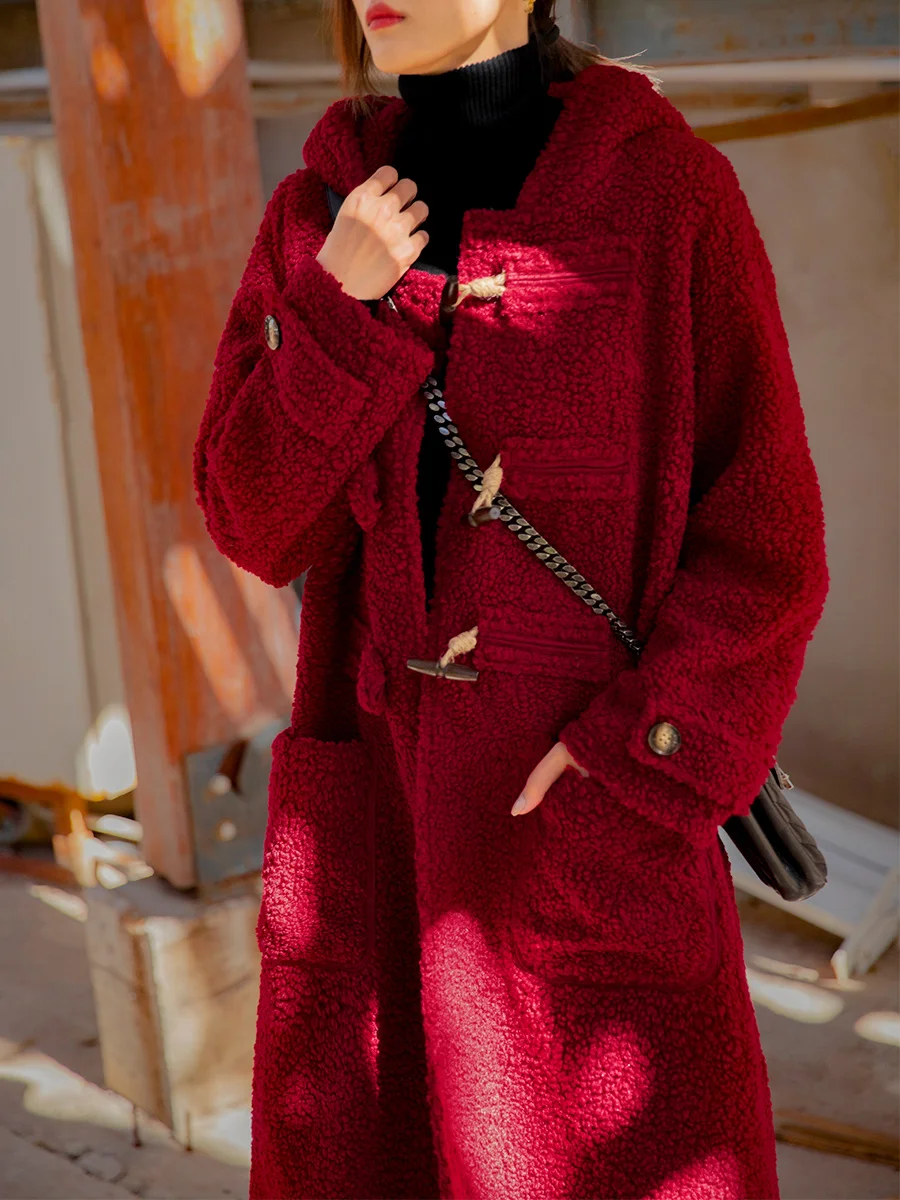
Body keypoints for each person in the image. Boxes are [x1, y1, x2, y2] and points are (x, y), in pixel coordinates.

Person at [193, 1, 829, 1197]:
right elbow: (254, 526)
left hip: (581, 831)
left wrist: (639, 760)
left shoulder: (669, 198)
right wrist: (335, 312)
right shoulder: (319, 213)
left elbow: (767, 539)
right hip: (375, 828)